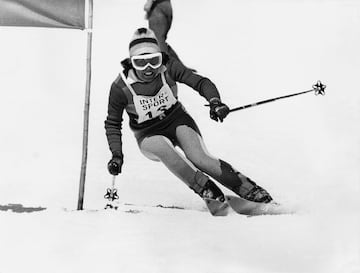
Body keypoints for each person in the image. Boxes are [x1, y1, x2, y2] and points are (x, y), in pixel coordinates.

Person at [104, 28, 273, 204]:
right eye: (141, 63)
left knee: (200, 158)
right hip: (146, 133)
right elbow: (113, 123)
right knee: (162, 148)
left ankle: (250, 190)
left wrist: (215, 102)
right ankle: (208, 192)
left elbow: (201, 82)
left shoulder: (169, 68)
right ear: (131, 62)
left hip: (176, 120)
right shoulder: (120, 87)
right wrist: (117, 155)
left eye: (154, 61)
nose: (148, 69)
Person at [143, 0, 184, 66]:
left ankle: (169, 67)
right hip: (166, 5)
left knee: (158, 40)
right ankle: (178, 66)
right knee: (161, 40)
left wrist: (149, 2)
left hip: (158, 7)